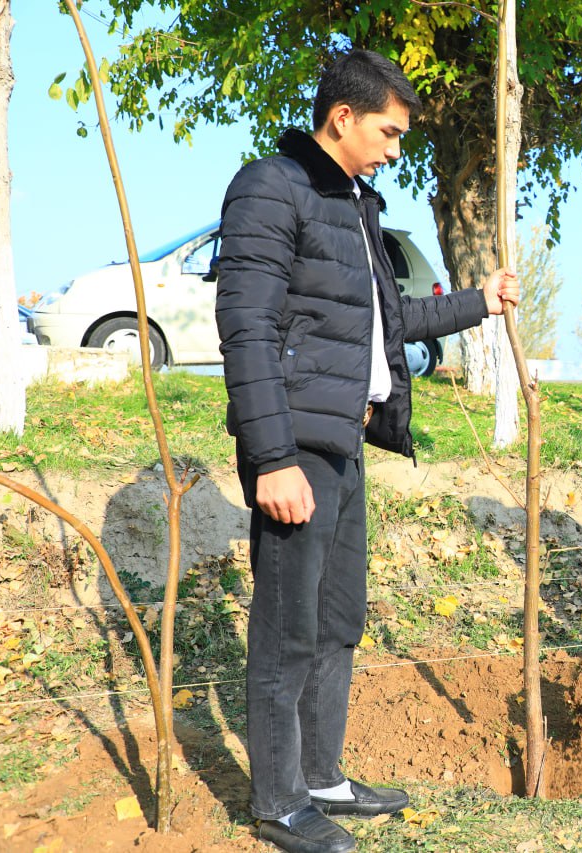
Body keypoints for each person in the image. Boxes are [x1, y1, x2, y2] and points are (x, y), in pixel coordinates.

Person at [215, 50, 518, 853]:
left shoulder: (356, 202)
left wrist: (478, 305)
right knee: (286, 625)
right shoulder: (270, 187)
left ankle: (321, 776)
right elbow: (245, 331)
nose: (395, 147)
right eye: (387, 131)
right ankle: (278, 802)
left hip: (346, 442)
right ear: (342, 117)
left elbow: (392, 326)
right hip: (296, 447)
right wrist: (272, 456)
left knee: (339, 616)